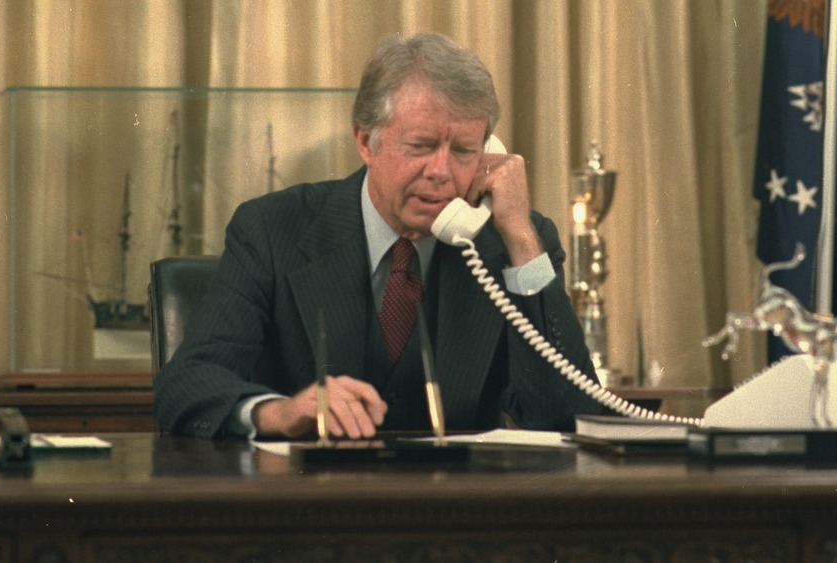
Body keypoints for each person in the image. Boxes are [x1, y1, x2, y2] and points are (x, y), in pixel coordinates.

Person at [153, 32, 601, 440]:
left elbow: (568, 415)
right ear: (366, 142)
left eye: (464, 151)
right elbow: (187, 382)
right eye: (421, 146)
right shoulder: (272, 230)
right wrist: (280, 413)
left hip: (460, 513)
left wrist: (520, 241)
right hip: (308, 508)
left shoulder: (510, 240)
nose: (442, 172)